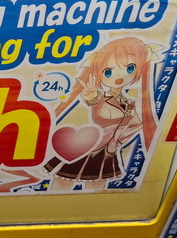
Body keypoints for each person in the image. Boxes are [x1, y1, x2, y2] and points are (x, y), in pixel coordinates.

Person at [43, 37, 157, 190]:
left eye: (130, 68)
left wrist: (117, 141)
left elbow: (136, 125)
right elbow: (94, 101)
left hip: (107, 152)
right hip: (86, 145)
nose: (119, 76)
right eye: (108, 72)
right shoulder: (101, 97)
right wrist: (90, 96)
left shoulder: (129, 103)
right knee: (64, 181)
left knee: (97, 185)